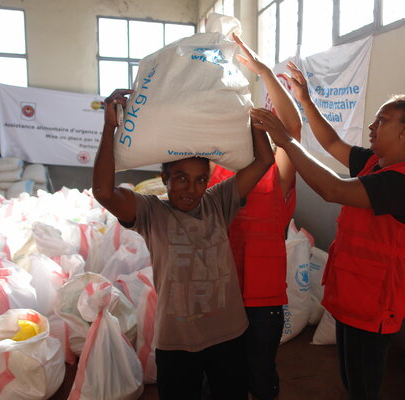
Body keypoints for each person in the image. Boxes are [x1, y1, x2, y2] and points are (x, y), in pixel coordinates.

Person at [250, 61, 405, 400]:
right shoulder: (375, 164)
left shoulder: (403, 181)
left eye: (382, 120)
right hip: (352, 298)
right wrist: (305, 101)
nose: (372, 126)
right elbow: (330, 143)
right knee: (351, 379)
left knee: (363, 388)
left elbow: (334, 189)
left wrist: (284, 140)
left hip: (375, 307)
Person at [92, 88, 274, 400]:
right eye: (180, 178)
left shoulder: (219, 202)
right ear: (164, 178)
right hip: (177, 341)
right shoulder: (152, 212)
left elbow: (265, 159)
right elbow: (104, 192)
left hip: (229, 334)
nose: (191, 189)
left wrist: (250, 116)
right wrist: (110, 127)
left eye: (201, 179)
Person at [207, 34, 301, 400]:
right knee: (222, 378)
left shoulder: (276, 176)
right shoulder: (215, 175)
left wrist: (263, 72)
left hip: (264, 304)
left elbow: (292, 132)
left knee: (261, 376)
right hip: (219, 297)